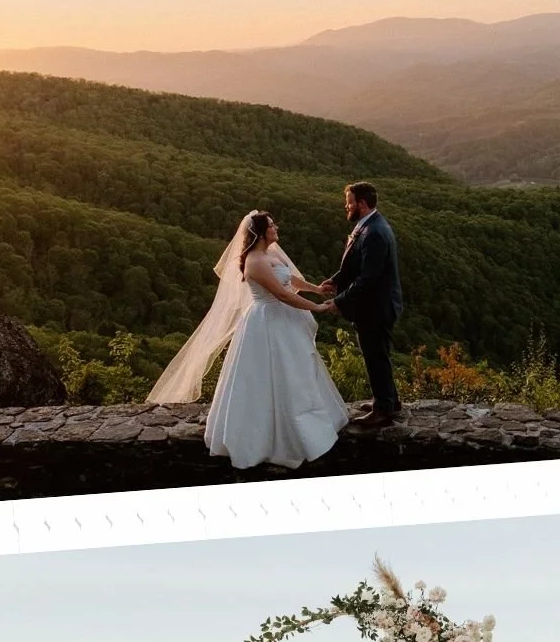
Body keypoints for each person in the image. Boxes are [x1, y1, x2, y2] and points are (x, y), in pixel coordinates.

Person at [147, 210, 349, 470]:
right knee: (266, 376)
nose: (277, 228)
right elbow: (283, 295)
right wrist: (318, 307)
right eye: (272, 226)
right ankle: (272, 436)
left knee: (296, 371)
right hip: (266, 321)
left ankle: (309, 420)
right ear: (261, 233)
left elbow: (290, 279)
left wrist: (316, 288)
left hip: (283, 320)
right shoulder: (254, 261)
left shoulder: (272, 253)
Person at [319, 182, 404, 431]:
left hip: (376, 308)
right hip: (375, 306)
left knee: (375, 356)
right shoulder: (369, 226)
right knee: (379, 355)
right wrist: (335, 280)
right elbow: (355, 265)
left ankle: (384, 410)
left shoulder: (375, 232)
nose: (346, 206)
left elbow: (368, 278)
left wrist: (339, 301)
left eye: (349, 201)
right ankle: (388, 400)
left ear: (362, 204)